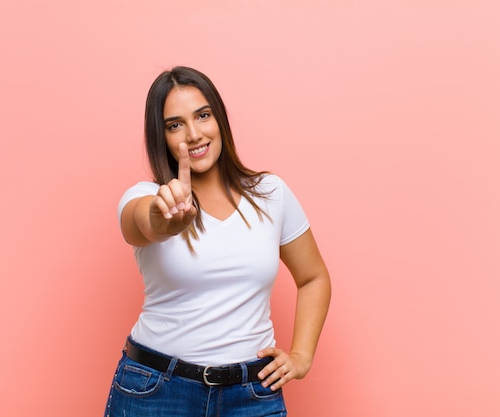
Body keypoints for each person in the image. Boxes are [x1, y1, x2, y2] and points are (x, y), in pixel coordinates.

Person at [104, 66, 331, 417]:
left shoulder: (271, 193)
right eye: (175, 125)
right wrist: (162, 217)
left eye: (203, 115)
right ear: (161, 137)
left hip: (251, 395)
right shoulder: (147, 197)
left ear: (220, 120)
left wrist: (301, 356)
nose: (194, 134)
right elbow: (140, 224)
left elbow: (313, 277)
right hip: (156, 392)